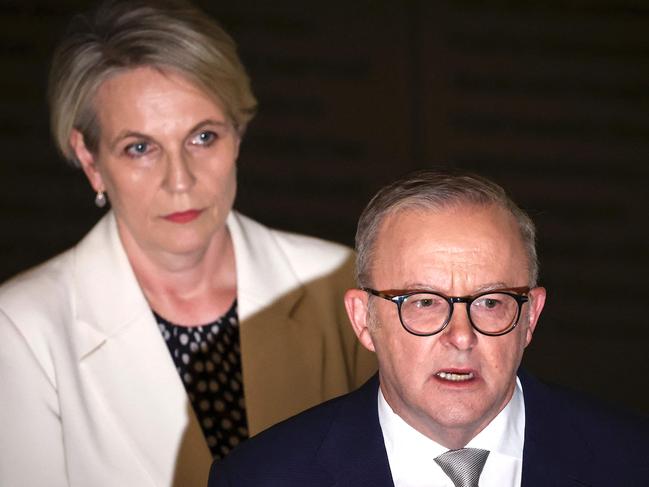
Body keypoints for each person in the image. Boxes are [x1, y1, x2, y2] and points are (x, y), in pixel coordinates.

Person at [0, 1, 376, 486]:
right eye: (139, 148)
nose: (180, 180)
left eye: (202, 137)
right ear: (90, 160)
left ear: (237, 134)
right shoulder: (21, 330)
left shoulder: (340, 284)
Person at [208, 169, 649, 487]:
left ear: (530, 317)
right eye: (423, 302)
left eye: (491, 302)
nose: (461, 337)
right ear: (364, 320)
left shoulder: (633, 460)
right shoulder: (262, 476)